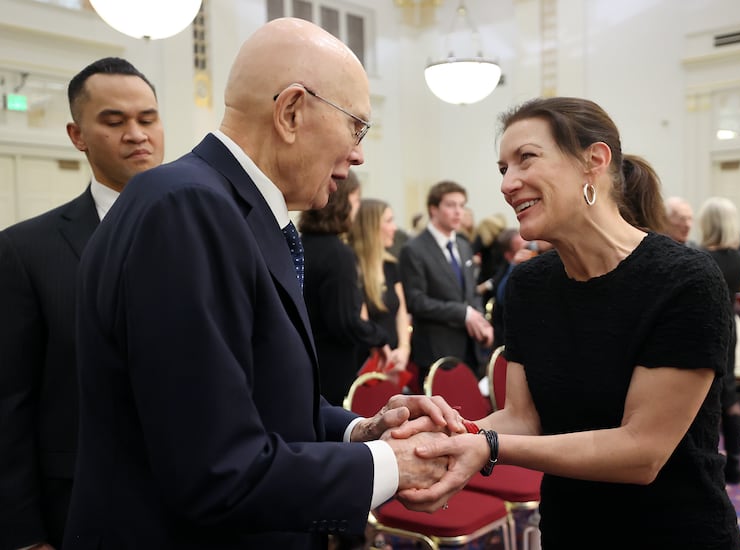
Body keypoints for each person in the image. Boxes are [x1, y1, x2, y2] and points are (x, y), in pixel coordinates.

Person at [63, 19, 463, 550]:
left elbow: (253, 401)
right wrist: (392, 464)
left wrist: (359, 430)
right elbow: (216, 470)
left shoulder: (228, 209)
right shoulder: (190, 209)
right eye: (357, 127)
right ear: (291, 111)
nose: (360, 154)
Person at [402, 97, 740, 549]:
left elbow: (642, 452)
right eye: (502, 167)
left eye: (526, 159)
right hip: (568, 529)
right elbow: (522, 418)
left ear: (593, 162)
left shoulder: (685, 280)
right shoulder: (528, 286)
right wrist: (439, 437)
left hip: (674, 532)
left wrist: (488, 444)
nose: (507, 183)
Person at [0, 57, 164, 550]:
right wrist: (24, 534)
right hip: (81, 502)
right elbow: (10, 403)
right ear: (78, 135)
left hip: (196, 497)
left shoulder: (211, 232)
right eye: (114, 122)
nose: (136, 134)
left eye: (147, 118)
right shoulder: (25, 250)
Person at [299, 172, 390, 406]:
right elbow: (345, 321)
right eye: (357, 199)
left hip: (303, 363)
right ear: (343, 202)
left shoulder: (300, 243)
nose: (357, 208)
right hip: (330, 368)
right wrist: (379, 338)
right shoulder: (338, 254)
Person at [399, 180, 493, 381]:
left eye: (462, 205)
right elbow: (416, 301)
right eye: (451, 205)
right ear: (433, 209)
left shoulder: (463, 245)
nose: (458, 212)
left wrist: (481, 323)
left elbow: (472, 293)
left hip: (471, 348)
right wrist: (463, 313)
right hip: (437, 350)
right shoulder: (414, 249)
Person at [697, 196, 740, 484]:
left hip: (707, 328)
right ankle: (736, 465)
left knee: (706, 398)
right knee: (730, 394)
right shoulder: (738, 258)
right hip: (731, 326)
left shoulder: (703, 257)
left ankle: (710, 463)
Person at [349, 198, 412, 377]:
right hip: (367, 362)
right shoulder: (352, 266)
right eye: (389, 221)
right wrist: (383, 352)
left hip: (394, 360)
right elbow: (362, 319)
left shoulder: (391, 265)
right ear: (371, 226)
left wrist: (404, 349)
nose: (394, 228)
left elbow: (401, 311)